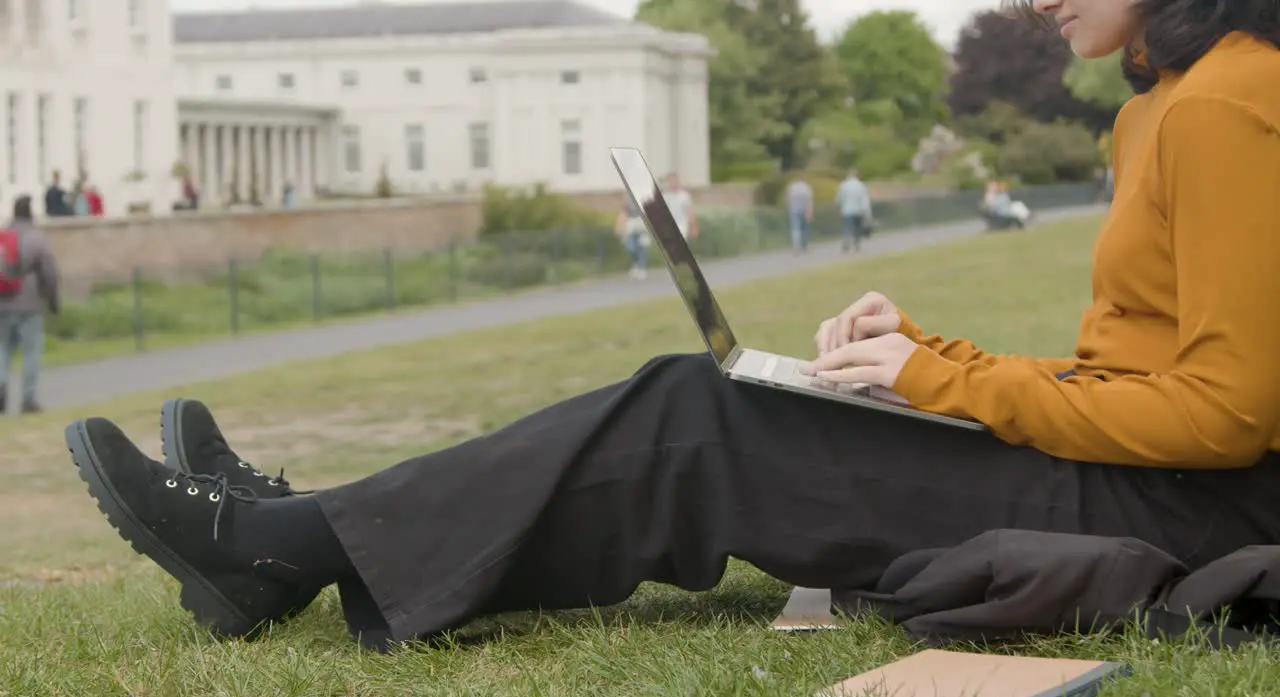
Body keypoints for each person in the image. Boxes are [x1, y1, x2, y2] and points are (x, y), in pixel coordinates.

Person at [65, 0, 1280, 652]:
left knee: (705, 417)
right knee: (719, 399)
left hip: (1185, 503)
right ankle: (306, 537)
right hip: (1125, 470)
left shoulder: (1230, 101)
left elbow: (1225, 417)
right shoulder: (1164, 105)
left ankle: (286, 542)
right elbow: (1138, 368)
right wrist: (928, 360)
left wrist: (942, 381)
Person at [1, 195, 60, 414]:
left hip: (2, 303)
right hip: (29, 303)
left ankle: (1, 388)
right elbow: (49, 272)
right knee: (31, 352)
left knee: (2, 350)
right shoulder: (37, 239)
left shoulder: (3, 237)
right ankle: (28, 399)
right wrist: (53, 299)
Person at [835, 169, 873, 253]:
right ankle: (856, 243)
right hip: (858, 210)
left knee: (847, 227)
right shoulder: (861, 186)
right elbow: (865, 200)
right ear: (858, 176)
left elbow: (839, 198)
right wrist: (867, 212)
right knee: (857, 228)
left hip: (847, 210)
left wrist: (839, 206)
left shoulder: (843, 185)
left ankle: (846, 241)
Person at [615, 197, 650, 279]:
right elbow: (623, 214)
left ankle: (642, 268)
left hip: (641, 225)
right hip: (631, 225)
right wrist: (618, 227)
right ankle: (635, 264)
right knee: (631, 248)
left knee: (642, 247)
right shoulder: (627, 200)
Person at [663, 172, 698, 242]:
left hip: (681, 225)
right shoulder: (664, 196)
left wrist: (693, 226)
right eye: (670, 181)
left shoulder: (684, 195)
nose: (672, 183)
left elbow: (689, 212)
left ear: (677, 181)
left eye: (674, 180)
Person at [785, 175, 814, 253]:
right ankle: (804, 245)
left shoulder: (791, 187)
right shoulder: (807, 188)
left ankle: (796, 245)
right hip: (804, 210)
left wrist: (789, 207)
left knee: (795, 229)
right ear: (804, 180)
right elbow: (809, 201)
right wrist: (810, 212)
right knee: (804, 228)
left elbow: (787, 198)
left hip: (793, 210)